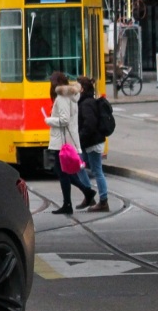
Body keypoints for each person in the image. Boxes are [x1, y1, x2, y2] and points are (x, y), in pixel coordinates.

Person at [45, 71, 96, 215]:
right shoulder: (70, 96)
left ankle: (73, 200)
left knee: (61, 172)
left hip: (61, 141)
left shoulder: (62, 97)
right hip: (66, 139)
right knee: (64, 172)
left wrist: (49, 120)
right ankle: (83, 193)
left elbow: (64, 120)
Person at [76, 76, 110, 212]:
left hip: (92, 142)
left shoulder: (86, 104)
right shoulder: (86, 101)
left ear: (82, 89)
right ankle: (88, 194)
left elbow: (89, 124)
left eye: (77, 86)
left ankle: (103, 201)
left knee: (97, 171)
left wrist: (80, 137)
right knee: (79, 166)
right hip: (89, 142)